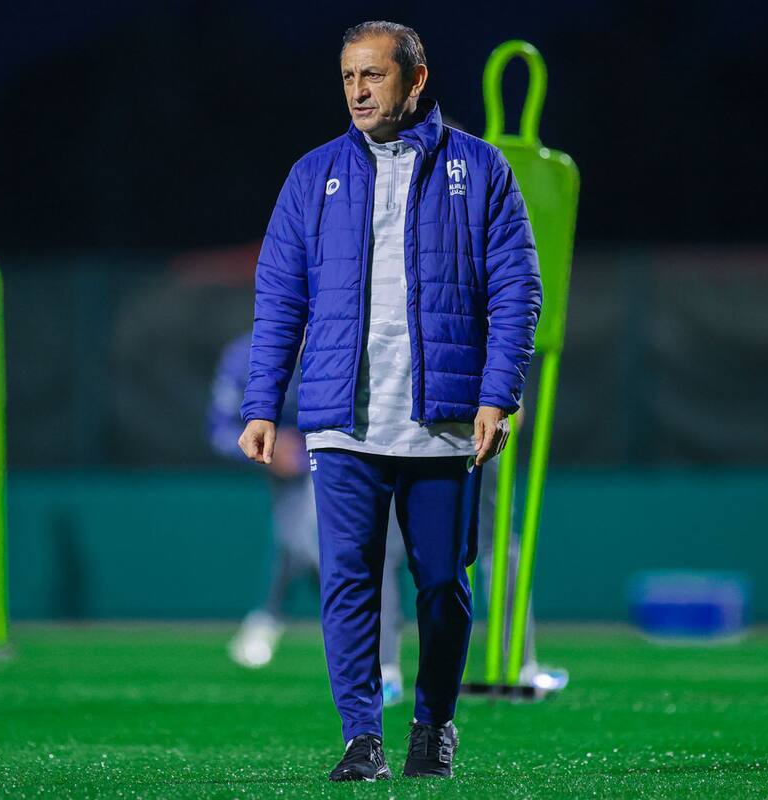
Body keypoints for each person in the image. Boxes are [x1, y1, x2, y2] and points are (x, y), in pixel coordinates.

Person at [238, 20, 541, 781]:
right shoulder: (312, 175)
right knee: (349, 580)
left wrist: (496, 395)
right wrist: (262, 404)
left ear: (416, 79)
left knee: (442, 581)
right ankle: (361, 737)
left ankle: (434, 724)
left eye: (373, 75)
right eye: (348, 77)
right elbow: (279, 297)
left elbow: (516, 290)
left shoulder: (482, 168)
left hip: (441, 420)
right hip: (341, 421)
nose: (358, 91)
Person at [209, 331, 407, 681]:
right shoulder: (245, 357)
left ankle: (270, 617)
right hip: (285, 473)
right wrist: (266, 449)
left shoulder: (349, 344)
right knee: (303, 539)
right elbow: (220, 431)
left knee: (344, 546)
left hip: (351, 456)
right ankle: (290, 620)